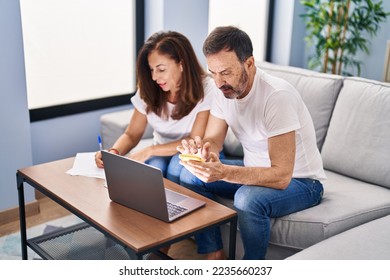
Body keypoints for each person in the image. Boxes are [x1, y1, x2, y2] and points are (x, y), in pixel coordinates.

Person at [177, 26, 326, 260]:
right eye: (213, 73)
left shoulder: (277, 96)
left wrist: (224, 172)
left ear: (249, 63)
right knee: (188, 175)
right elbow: (213, 139)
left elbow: (281, 175)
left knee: (247, 198)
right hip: (254, 171)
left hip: (301, 181)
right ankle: (213, 251)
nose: (218, 82)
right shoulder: (221, 90)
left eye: (225, 72)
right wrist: (204, 153)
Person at [95, 31, 218, 184]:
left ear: (182, 64)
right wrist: (113, 152)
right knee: (151, 171)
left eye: (161, 69)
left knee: (176, 168)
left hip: (194, 151)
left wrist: (150, 150)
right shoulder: (149, 88)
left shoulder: (207, 88)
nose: (154, 77)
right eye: (151, 69)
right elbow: (132, 133)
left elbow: (194, 139)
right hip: (161, 149)